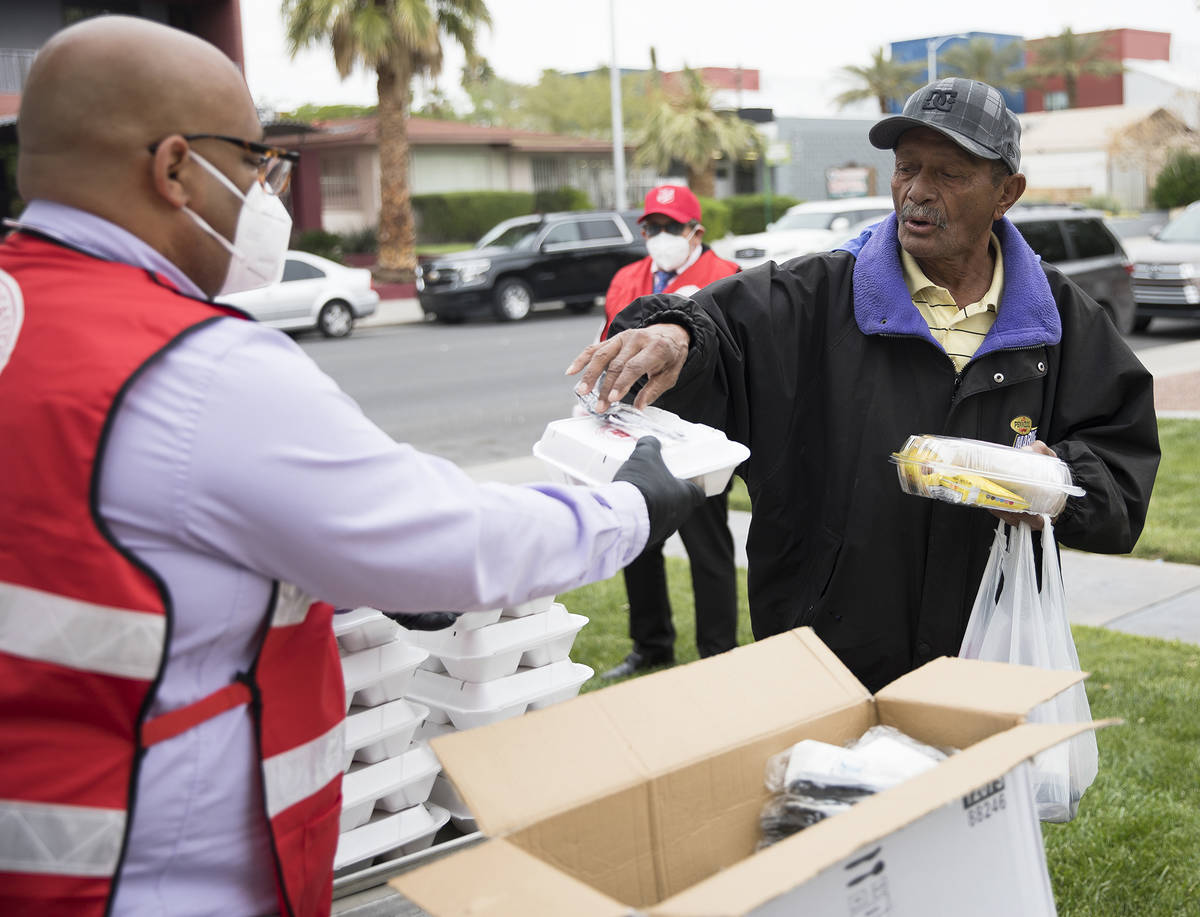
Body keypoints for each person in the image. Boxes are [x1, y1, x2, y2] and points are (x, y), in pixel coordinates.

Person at [0, 17, 701, 917]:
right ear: (174, 168)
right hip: (144, 873)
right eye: (254, 162)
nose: (264, 192)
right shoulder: (195, 371)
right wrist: (631, 507)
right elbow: (447, 542)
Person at [568, 77, 1160, 694]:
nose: (918, 192)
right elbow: (713, 326)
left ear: (1006, 192)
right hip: (824, 668)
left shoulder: (1061, 321)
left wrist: (1055, 481)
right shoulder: (818, 298)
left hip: (988, 662)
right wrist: (672, 337)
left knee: (974, 790)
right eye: (907, 168)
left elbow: (1120, 472)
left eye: (950, 174)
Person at [597, 186, 741, 679]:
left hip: (698, 433)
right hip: (634, 427)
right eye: (652, 228)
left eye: (671, 228)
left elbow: (735, 361)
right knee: (638, 535)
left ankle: (718, 652)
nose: (660, 237)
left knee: (707, 543)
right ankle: (651, 644)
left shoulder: (724, 279)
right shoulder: (625, 279)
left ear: (695, 232)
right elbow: (607, 344)